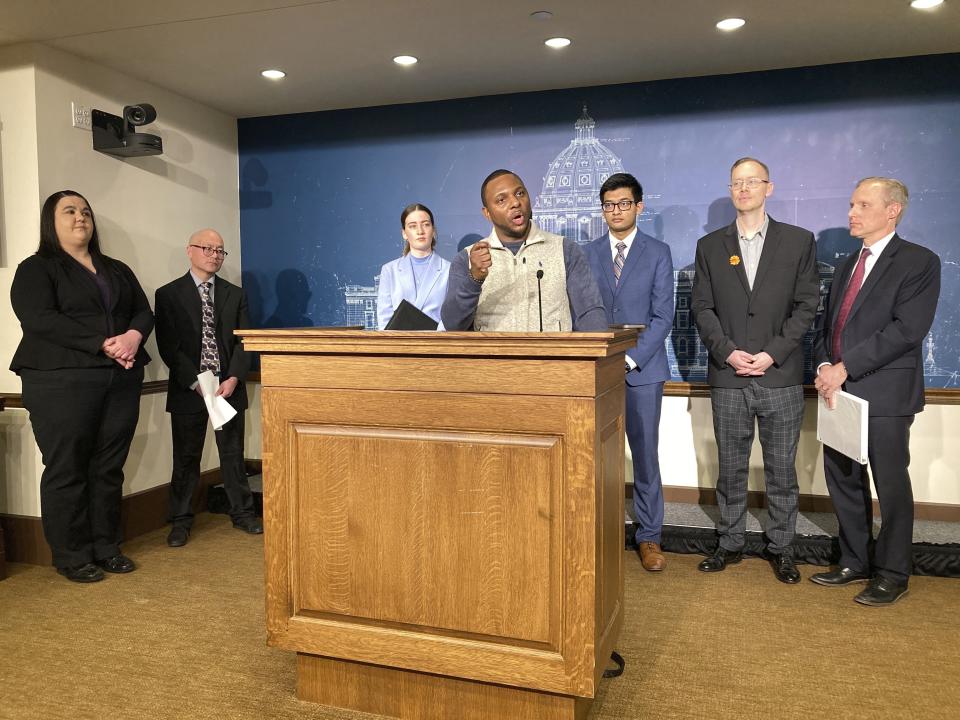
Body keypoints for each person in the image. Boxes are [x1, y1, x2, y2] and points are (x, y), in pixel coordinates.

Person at [10, 190, 153, 583]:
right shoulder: (36, 268)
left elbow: (142, 310)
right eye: (69, 211)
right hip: (60, 379)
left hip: (120, 377)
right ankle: (71, 555)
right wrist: (104, 343)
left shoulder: (117, 268)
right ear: (50, 222)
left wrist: (133, 337)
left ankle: (106, 547)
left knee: (108, 467)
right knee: (68, 467)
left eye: (86, 211)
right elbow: (39, 318)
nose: (80, 218)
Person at [812, 177, 940, 606]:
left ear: (892, 211)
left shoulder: (919, 262)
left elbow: (907, 330)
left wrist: (846, 367)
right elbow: (831, 327)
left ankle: (892, 573)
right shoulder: (848, 262)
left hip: (885, 392)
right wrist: (825, 367)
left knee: (890, 485)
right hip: (839, 391)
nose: (852, 212)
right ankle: (854, 561)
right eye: (851, 203)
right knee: (844, 480)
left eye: (863, 204)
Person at [692, 158, 819, 583]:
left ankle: (782, 547)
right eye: (737, 183)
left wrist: (772, 353)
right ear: (730, 190)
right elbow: (702, 308)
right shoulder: (710, 245)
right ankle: (729, 542)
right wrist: (728, 353)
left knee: (782, 470)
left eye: (752, 182)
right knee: (730, 467)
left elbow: (806, 306)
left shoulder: (798, 241)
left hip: (778, 374)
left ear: (769, 187)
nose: (744, 189)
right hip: (729, 376)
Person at [584, 173, 675, 572]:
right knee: (594, 456)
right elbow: (580, 311)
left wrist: (630, 358)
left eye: (622, 204)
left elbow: (663, 316)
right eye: (608, 204)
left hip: (643, 370)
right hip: (596, 370)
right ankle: (594, 531)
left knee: (644, 456)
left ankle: (649, 536)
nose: (615, 211)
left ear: (639, 206)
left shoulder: (658, 252)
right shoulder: (585, 253)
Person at [154, 229, 261, 547]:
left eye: (220, 251)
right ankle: (181, 520)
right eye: (208, 248)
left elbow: (244, 340)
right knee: (186, 457)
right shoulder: (168, 294)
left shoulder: (235, 294)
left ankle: (242, 514)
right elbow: (168, 345)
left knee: (232, 453)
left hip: (226, 385)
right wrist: (195, 382)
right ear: (190, 250)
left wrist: (233, 378)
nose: (215, 254)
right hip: (190, 387)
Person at [441, 169, 607, 332]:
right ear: (487, 213)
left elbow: (591, 316)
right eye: (501, 200)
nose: (515, 203)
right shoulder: (467, 259)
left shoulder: (566, 250)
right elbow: (453, 324)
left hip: (553, 359)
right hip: (493, 359)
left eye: (520, 193)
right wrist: (474, 279)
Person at [377, 203, 450, 329]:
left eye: (426, 224)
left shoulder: (449, 270)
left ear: (433, 230)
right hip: (398, 345)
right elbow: (384, 319)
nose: (420, 231)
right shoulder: (389, 270)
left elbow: (451, 316)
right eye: (412, 226)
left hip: (436, 345)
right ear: (404, 233)